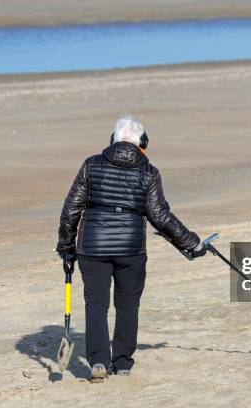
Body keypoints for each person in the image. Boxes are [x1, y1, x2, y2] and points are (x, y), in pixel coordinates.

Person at [56, 114, 206, 378]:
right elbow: (160, 216)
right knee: (127, 304)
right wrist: (191, 243)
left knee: (96, 304)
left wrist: (66, 247)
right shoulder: (148, 172)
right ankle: (122, 362)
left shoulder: (91, 165)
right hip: (131, 250)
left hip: (93, 248)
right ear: (142, 143)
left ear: (113, 139)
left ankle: (99, 361)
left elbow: (71, 210)